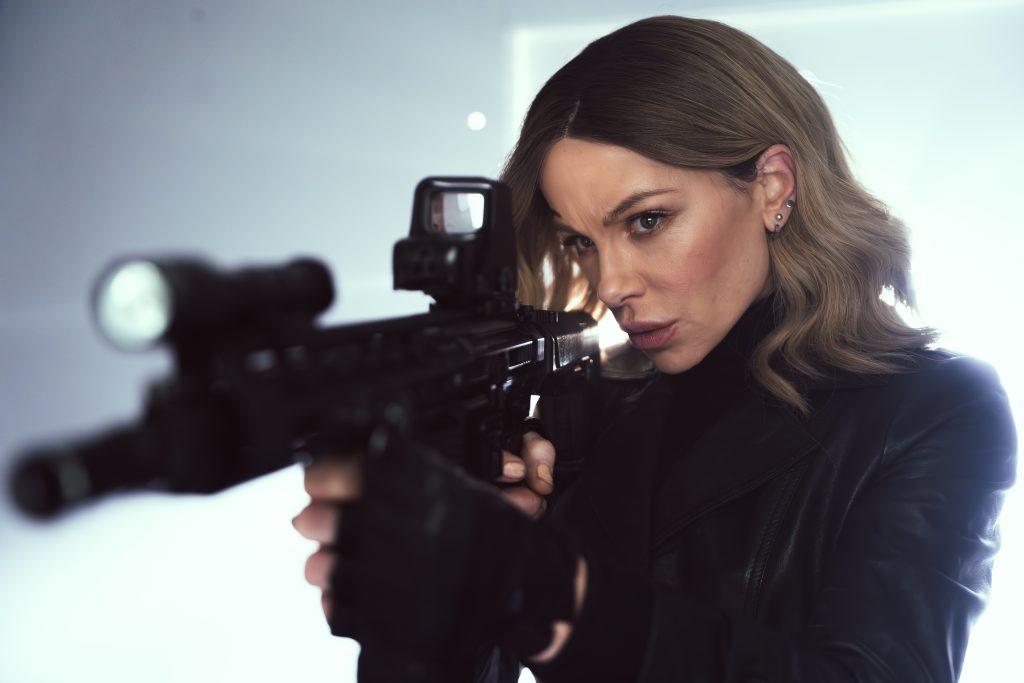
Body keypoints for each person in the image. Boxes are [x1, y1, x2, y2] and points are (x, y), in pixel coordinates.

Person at [292, 15, 1017, 682]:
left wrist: (547, 592)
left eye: (645, 221)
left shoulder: (934, 409)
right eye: (580, 240)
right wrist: (425, 605)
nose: (609, 283)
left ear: (772, 186)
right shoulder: (584, 413)